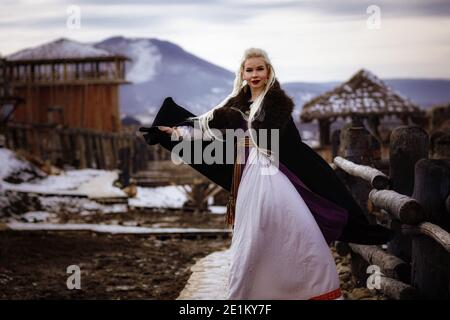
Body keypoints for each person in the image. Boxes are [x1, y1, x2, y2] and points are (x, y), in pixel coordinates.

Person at [142, 48, 393, 300]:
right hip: (250, 176)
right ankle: (250, 294)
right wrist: (174, 133)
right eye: (249, 70)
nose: (254, 74)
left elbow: (290, 145)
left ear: (268, 71)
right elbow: (205, 130)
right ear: (242, 73)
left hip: (276, 174)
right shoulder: (233, 106)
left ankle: (311, 290)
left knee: (298, 228)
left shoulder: (277, 105)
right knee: (252, 234)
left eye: (259, 69)